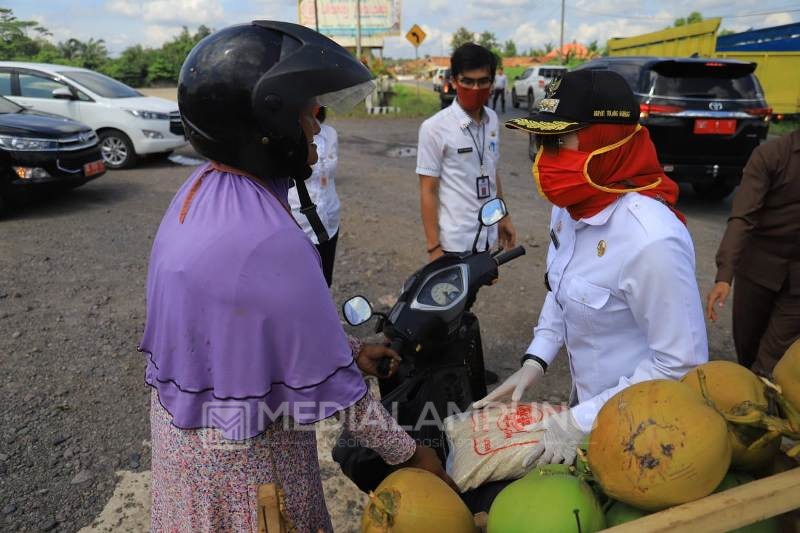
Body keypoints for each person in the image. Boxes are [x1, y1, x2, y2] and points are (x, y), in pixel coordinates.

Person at [140, 21, 453, 532]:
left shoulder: (201, 192)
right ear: (267, 121)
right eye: (308, 113)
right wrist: (413, 456)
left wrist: (347, 351)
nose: (317, 127)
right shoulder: (267, 237)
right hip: (250, 471)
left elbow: (244, 329)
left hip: (189, 454)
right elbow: (349, 403)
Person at [474, 70, 708, 466]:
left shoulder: (650, 239)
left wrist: (573, 423)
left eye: (559, 142)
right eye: (541, 143)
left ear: (608, 140)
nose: (545, 160)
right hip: (587, 407)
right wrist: (535, 360)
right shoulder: (568, 209)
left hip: (643, 430)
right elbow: (561, 288)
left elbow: (679, 364)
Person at [707, 128, 800, 375]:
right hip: (758, 270)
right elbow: (742, 218)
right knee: (747, 352)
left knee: (770, 362)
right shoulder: (771, 155)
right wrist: (724, 276)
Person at [417, 43, 516, 263]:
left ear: (492, 82)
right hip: (453, 243)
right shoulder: (434, 128)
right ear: (454, 81)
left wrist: (503, 216)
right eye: (467, 81)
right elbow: (428, 190)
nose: (475, 88)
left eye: (483, 81)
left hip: (487, 238)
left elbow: (492, 171)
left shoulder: (492, 121)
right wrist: (433, 248)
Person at [288, 105, 340, 286]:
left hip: (329, 220)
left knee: (324, 282)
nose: (317, 128)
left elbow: (329, 169)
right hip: (299, 223)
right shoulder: (284, 138)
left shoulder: (330, 133)